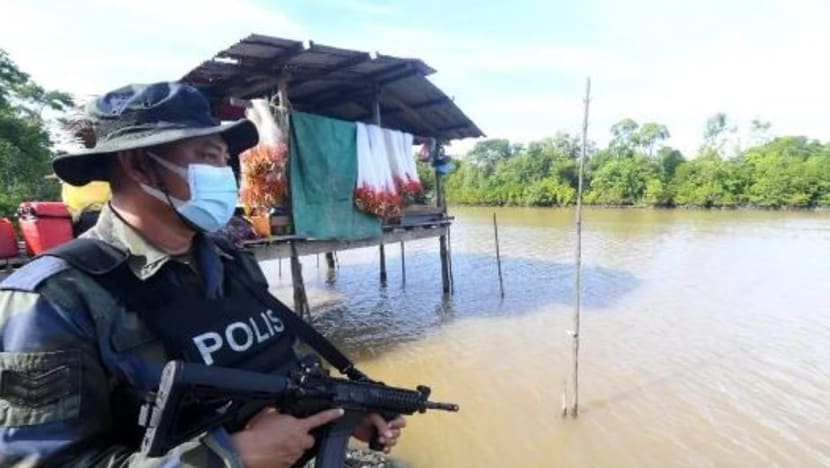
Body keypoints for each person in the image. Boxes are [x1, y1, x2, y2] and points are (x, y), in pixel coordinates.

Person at [0, 82, 405, 467]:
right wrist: (229, 459)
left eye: (226, 159)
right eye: (210, 156)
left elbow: (280, 361)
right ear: (140, 165)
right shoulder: (54, 299)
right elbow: (41, 460)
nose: (227, 171)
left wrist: (339, 410)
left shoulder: (231, 261)